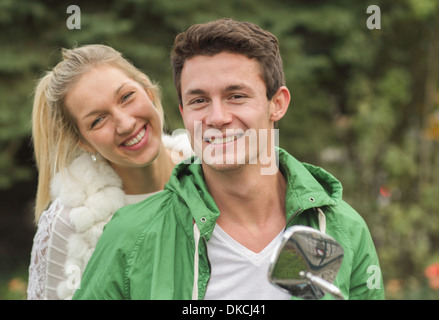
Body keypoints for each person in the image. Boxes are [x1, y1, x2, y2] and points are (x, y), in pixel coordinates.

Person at [73, 19, 385, 300]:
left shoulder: (341, 228)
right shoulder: (131, 235)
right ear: (183, 112)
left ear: (277, 103)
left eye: (236, 95)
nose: (217, 117)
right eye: (199, 100)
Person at [27, 44, 193, 300]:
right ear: (84, 141)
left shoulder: (211, 170)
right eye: (97, 120)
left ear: (148, 91)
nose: (125, 124)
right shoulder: (71, 224)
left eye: (127, 97)